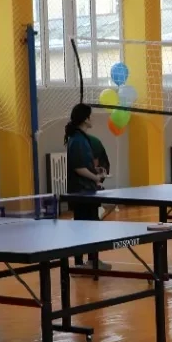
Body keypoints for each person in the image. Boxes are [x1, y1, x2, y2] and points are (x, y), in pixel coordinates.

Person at [64, 103, 110, 269]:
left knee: (89, 227)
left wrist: (95, 171)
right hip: (82, 192)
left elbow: (83, 165)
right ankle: (82, 263)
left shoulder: (80, 138)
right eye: (90, 115)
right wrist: (95, 177)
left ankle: (91, 261)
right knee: (85, 228)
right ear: (85, 119)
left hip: (86, 191)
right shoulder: (77, 140)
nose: (93, 118)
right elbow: (78, 168)